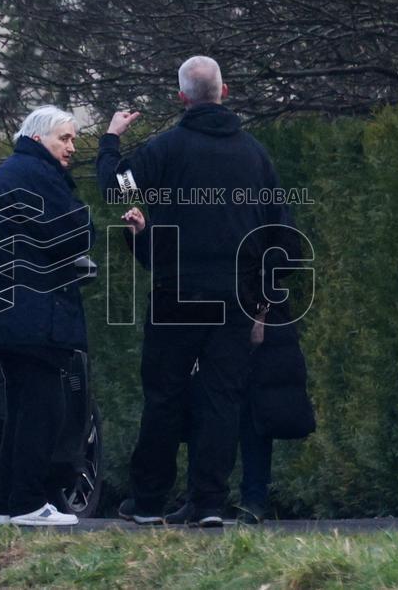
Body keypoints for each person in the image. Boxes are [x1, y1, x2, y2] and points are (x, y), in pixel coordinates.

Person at [97, 55, 298, 526]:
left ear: (182, 97)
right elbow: (282, 237)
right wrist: (262, 299)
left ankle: (148, 500)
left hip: (176, 295)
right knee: (221, 399)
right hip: (235, 299)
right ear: (224, 93)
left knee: (164, 395)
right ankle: (209, 502)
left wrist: (110, 138)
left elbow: (114, 188)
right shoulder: (256, 157)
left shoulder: (165, 149)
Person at [121, 207, 314, 525]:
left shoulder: (250, 194)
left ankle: (250, 496)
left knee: (252, 404)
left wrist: (261, 308)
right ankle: (205, 497)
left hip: (250, 307)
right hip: (225, 307)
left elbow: (283, 251)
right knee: (213, 401)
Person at [0, 106, 92, 527]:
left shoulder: (8, 174)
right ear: (39, 138)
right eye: (65, 138)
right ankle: (26, 503)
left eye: (73, 139)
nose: (71, 147)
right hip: (32, 316)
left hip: (6, 315)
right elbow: (75, 234)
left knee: (22, 411)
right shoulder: (37, 177)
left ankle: (7, 505)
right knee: (43, 411)